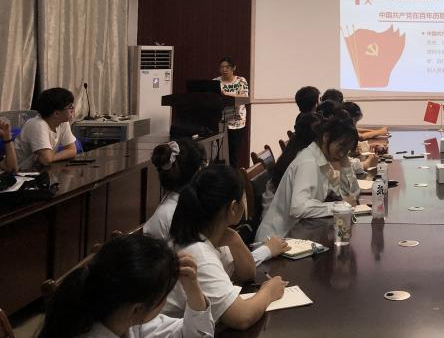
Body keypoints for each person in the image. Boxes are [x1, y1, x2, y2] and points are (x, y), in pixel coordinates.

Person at [162, 165, 285, 329]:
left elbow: (247, 274)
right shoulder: (198, 253)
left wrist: (235, 240)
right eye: (243, 198)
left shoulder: (212, 232)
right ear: (233, 207)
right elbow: (242, 317)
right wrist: (269, 291)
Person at [38, 233, 213, 338]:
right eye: (164, 296)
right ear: (137, 309)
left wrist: (192, 288)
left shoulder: (122, 319)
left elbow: (193, 335)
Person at [142, 139, 285, 265]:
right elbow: (215, 265)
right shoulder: (178, 213)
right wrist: (265, 251)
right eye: (206, 165)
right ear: (199, 172)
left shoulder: (184, 204)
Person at [255, 110, 360, 241]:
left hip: (297, 234)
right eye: (341, 146)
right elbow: (298, 208)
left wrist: (345, 163)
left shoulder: (322, 160)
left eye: (347, 150)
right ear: (326, 137)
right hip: (276, 240)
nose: (342, 153)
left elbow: (349, 195)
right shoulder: (308, 162)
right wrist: (338, 206)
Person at [14, 87, 78, 171]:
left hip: (39, 170)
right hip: (19, 172)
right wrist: (49, 158)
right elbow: (46, 160)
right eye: (70, 107)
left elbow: (72, 150)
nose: (73, 110)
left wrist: (52, 157)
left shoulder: (62, 122)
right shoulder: (37, 124)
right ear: (56, 114)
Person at [215, 57, 249, 167]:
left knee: (233, 155)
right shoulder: (215, 82)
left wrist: (226, 94)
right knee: (219, 156)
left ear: (233, 68)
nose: (224, 69)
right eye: (222, 67)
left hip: (237, 124)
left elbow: (244, 98)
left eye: (227, 67)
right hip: (221, 123)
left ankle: (233, 174)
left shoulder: (241, 80)